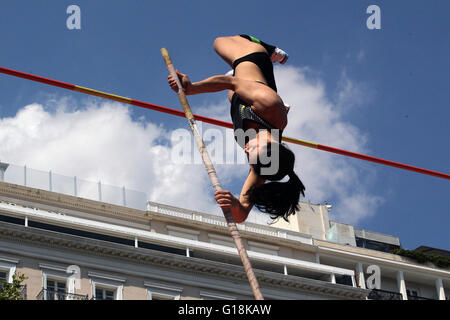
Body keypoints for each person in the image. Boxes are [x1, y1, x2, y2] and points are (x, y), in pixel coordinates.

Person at [168, 34, 305, 223]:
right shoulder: (270, 107)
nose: (247, 150)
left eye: (249, 156)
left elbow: (241, 215)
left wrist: (234, 204)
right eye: (253, 150)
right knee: (218, 43)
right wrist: (192, 88)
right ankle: (269, 49)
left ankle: (248, 66)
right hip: (251, 58)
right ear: (270, 144)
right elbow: (229, 83)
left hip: (242, 90)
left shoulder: (264, 166)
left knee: (235, 84)